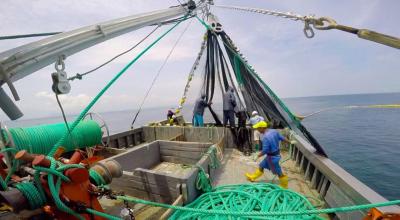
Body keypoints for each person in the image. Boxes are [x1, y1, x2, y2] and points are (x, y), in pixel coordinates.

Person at [245, 121, 290, 189]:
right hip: (273, 155)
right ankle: (252, 177)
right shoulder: (274, 131)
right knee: (261, 166)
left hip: (272, 158)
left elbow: (265, 150)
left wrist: (257, 155)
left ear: (262, 128)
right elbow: (282, 138)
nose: (257, 130)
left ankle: (284, 185)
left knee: (279, 172)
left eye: (258, 128)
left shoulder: (265, 137)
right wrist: (290, 142)